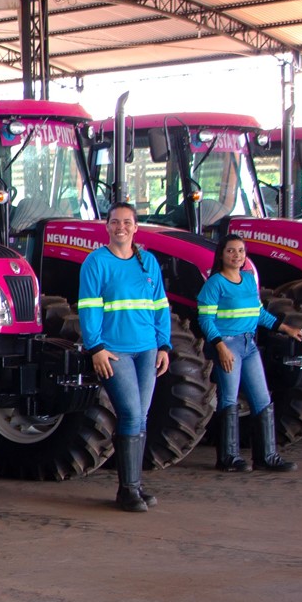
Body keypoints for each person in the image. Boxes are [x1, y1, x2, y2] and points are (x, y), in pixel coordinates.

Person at [78, 202, 171, 511]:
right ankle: (127, 490)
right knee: (131, 412)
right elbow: (89, 309)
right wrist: (96, 348)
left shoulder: (149, 263)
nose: (121, 227)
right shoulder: (96, 262)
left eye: (127, 222)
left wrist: (164, 345)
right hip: (115, 351)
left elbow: (160, 307)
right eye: (115, 222)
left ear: (135, 227)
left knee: (141, 416)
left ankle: (135, 485)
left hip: (147, 350)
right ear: (107, 226)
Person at [197, 233, 302, 472]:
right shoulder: (214, 283)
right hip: (228, 344)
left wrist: (287, 328)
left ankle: (267, 457)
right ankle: (228, 457)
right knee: (229, 398)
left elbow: (259, 313)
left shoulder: (248, 280)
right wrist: (220, 347)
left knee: (262, 399)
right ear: (222, 254)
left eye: (240, 251)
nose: (236, 255)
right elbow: (205, 320)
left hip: (249, 345)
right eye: (231, 251)